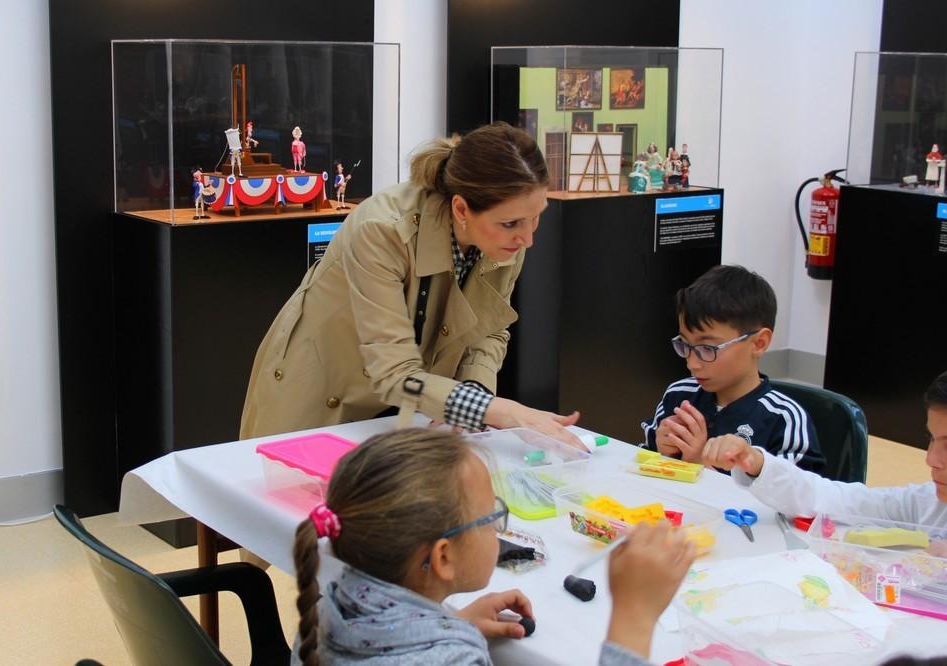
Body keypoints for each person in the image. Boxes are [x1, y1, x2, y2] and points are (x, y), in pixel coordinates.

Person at [240, 122, 583, 447]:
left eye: (537, 215)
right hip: (324, 392)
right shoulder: (382, 231)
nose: (528, 238)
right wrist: (499, 411)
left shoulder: (508, 237)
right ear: (461, 208)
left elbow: (489, 330)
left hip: (412, 401)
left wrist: (475, 391)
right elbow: (392, 371)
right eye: (511, 223)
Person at [291, 428, 696, 666]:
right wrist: (634, 618)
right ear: (443, 557)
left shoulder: (331, 607)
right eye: (491, 518)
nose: (499, 528)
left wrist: (454, 625)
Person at [702, 367, 947, 537]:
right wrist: (758, 464)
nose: (931, 460)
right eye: (931, 439)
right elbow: (835, 499)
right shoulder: (931, 504)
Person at [641, 265, 826, 472]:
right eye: (685, 345)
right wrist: (662, 450)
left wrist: (700, 462)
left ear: (759, 343)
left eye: (707, 348)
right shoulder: (678, 395)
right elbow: (642, 461)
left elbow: (795, 498)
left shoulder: (784, 419)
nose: (692, 363)